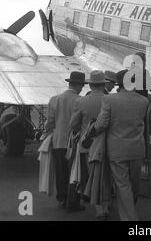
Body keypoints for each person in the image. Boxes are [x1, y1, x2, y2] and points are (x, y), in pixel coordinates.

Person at [93, 69, 149, 221]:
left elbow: (102, 124)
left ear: (119, 83)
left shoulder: (109, 100)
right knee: (134, 184)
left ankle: (130, 218)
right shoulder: (144, 101)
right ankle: (130, 212)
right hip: (137, 148)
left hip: (117, 149)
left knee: (123, 185)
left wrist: (93, 131)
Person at [70, 70, 112, 220]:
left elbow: (73, 124)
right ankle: (105, 205)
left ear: (90, 85)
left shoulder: (80, 102)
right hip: (107, 144)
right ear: (103, 84)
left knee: (93, 178)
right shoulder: (111, 99)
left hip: (88, 145)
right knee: (105, 177)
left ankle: (100, 209)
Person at [44, 71, 85, 211]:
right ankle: (73, 201)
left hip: (58, 141)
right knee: (74, 173)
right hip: (74, 143)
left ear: (69, 83)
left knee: (60, 172)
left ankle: (62, 198)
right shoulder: (80, 100)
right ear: (79, 86)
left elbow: (49, 123)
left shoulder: (54, 99)